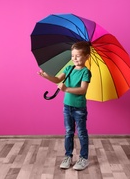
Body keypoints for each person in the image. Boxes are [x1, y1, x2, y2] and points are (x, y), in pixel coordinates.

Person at [37, 41, 92, 170]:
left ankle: (84, 158)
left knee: (82, 133)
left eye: (78, 56)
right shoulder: (69, 68)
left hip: (79, 108)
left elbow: (83, 90)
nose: (74, 58)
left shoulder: (86, 72)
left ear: (86, 57)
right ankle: (68, 156)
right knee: (68, 132)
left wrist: (66, 89)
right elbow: (57, 79)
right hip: (67, 107)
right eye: (73, 56)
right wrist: (46, 76)